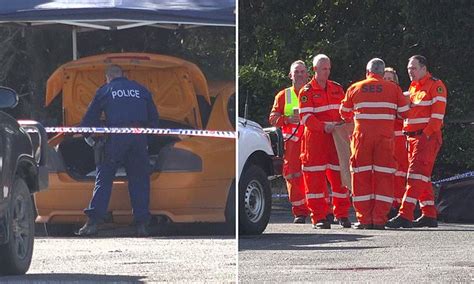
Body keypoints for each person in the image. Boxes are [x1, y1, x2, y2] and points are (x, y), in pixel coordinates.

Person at [77, 64, 159, 237]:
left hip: (115, 138)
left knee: (104, 178)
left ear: (107, 77)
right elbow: (154, 121)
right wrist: (145, 141)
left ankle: (93, 223)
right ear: (123, 75)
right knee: (139, 180)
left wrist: (90, 137)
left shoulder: (106, 90)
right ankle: (142, 225)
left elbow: (88, 120)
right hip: (138, 136)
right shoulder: (141, 90)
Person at [340, 58, 411, 229]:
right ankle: (379, 219)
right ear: (381, 72)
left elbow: (344, 113)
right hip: (385, 140)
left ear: (367, 72)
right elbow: (404, 113)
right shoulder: (393, 88)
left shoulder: (355, 88)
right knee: (384, 177)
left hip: (361, 139)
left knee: (360, 177)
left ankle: (364, 219)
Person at [387, 55, 447, 228]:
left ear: (423, 68)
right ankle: (429, 214)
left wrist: (424, 137)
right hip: (412, 137)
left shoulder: (436, 86)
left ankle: (405, 214)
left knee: (414, 176)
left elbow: (436, 119)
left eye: (413, 68)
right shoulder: (413, 87)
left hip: (425, 137)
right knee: (423, 177)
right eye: (408, 69)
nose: (410, 72)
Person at [298, 54, 352, 229]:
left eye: (329, 69)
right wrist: (324, 126)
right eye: (324, 69)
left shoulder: (336, 88)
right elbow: (306, 117)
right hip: (315, 141)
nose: (327, 72)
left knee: (339, 177)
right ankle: (319, 217)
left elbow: (345, 111)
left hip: (335, 140)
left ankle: (342, 215)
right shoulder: (306, 92)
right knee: (315, 180)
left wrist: (345, 124)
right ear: (315, 70)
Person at [269, 60, 310, 223]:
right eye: (296, 72)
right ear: (290, 75)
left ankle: (320, 211)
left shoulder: (315, 91)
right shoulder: (283, 95)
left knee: (315, 175)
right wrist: (287, 119)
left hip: (312, 141)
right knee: (293, 176)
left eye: (302, 72)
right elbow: (273, 118)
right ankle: (300, 212)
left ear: (307, 75)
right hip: (292, 143)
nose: (299, 75)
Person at [383, 67, 409, 218]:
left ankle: (398, 205)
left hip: (399, 140)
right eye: (385, 79)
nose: (387, 82)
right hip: (384, 139)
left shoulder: (400, 96)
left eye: (390, 80)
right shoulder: (376, 96)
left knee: (399, 174)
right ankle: (387, 205)